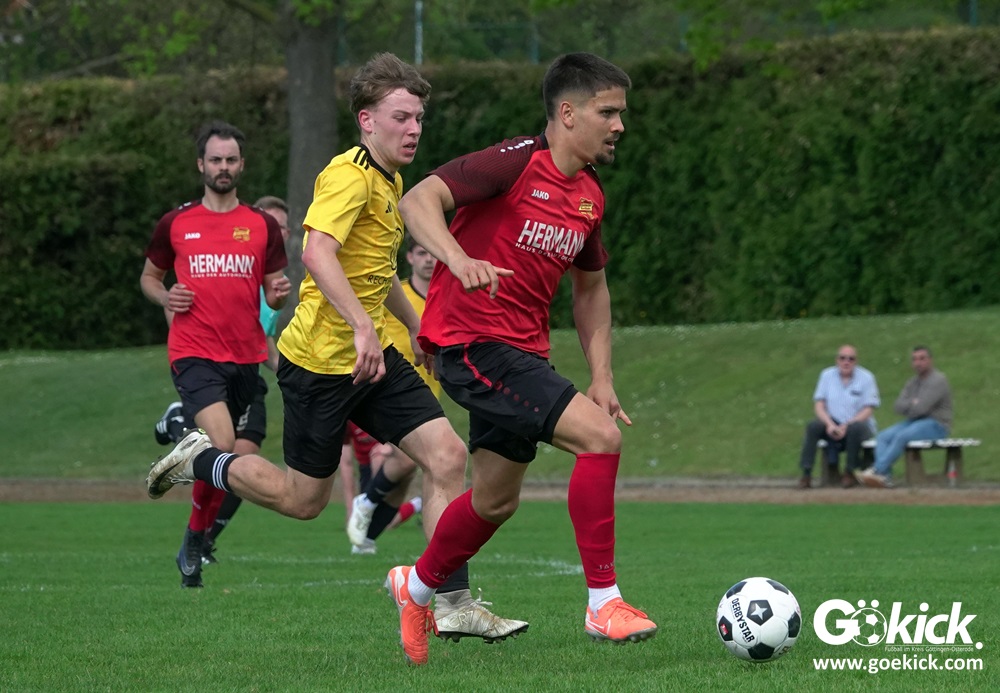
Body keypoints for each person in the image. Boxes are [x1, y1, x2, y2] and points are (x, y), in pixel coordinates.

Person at [146, 53, 527, 641]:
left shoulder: (390, 179)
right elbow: (317, 252)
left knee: (448, 456)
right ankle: (201, 459)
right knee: (304, 501)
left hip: (372, 361)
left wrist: (416, 326)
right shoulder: (348, 175)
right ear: (366, 120)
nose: (414, 129)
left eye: (419, 118)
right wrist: (362, 327)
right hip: (320, 365)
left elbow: (376, 269)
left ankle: (452, 602)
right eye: (401, 117)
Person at [384, 52, 656, 666]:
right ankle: (603, 603)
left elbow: (592, 290)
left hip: (521, 351)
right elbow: (418, 201)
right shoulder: (513, 162)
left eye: (621, 114)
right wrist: (457, 259)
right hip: (472, 344)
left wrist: (603, 376)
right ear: (568, 112)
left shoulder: (589, 196)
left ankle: (416, 588)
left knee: (494, 501)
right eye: (608, 112)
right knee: (601, 439)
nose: (619, 125)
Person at [140, 123, 291, 588]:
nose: (223, 167)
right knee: (222, 443)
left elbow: (273, 290)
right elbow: (149, 277)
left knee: (229, 458)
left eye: (230, 160)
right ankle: (195, 532)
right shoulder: (175, 223)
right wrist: (166, 297)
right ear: (200, 165)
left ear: (241, 165)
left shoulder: (263, 225)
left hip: (245, 357)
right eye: (215, 160)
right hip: (193, 351)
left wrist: (279, 295)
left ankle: (194, 535)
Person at [346, 237, 437, 554]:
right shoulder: (394, 293)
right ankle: (366, 500)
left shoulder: (443, 298)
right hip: (387, 389)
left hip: (427, 394)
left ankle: (366, 540)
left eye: (433, 253)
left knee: (406, 475)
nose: (429, 260)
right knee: (406, 459)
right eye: (421, 253)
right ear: (409, 258)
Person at [857, 346, 952, 488]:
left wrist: (911, 406)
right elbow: (897, 406)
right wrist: (913, 403)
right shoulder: (912, 382)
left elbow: (921, 408)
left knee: (902, 436)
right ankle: (884, 477)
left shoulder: (938, 380)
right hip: (913, 422)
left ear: (930, 360)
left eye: (922, 359)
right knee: (883, 437)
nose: (918, 363)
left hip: (936, 425)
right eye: (915, 359)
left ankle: (877, 470)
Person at [797, 345, 880, 489]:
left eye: (851, 359)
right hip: (833, 423)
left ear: (856, 361)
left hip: (859, 425)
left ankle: (849, 472)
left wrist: (846, 425)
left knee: (855, 428)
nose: (846, 362)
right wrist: (830, 424)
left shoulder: (867, 378)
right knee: (813, 426)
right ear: (837, 360)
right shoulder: (826, 375)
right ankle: (806, 473)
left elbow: (868, 409)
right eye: (842, 358)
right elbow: (819, 405)